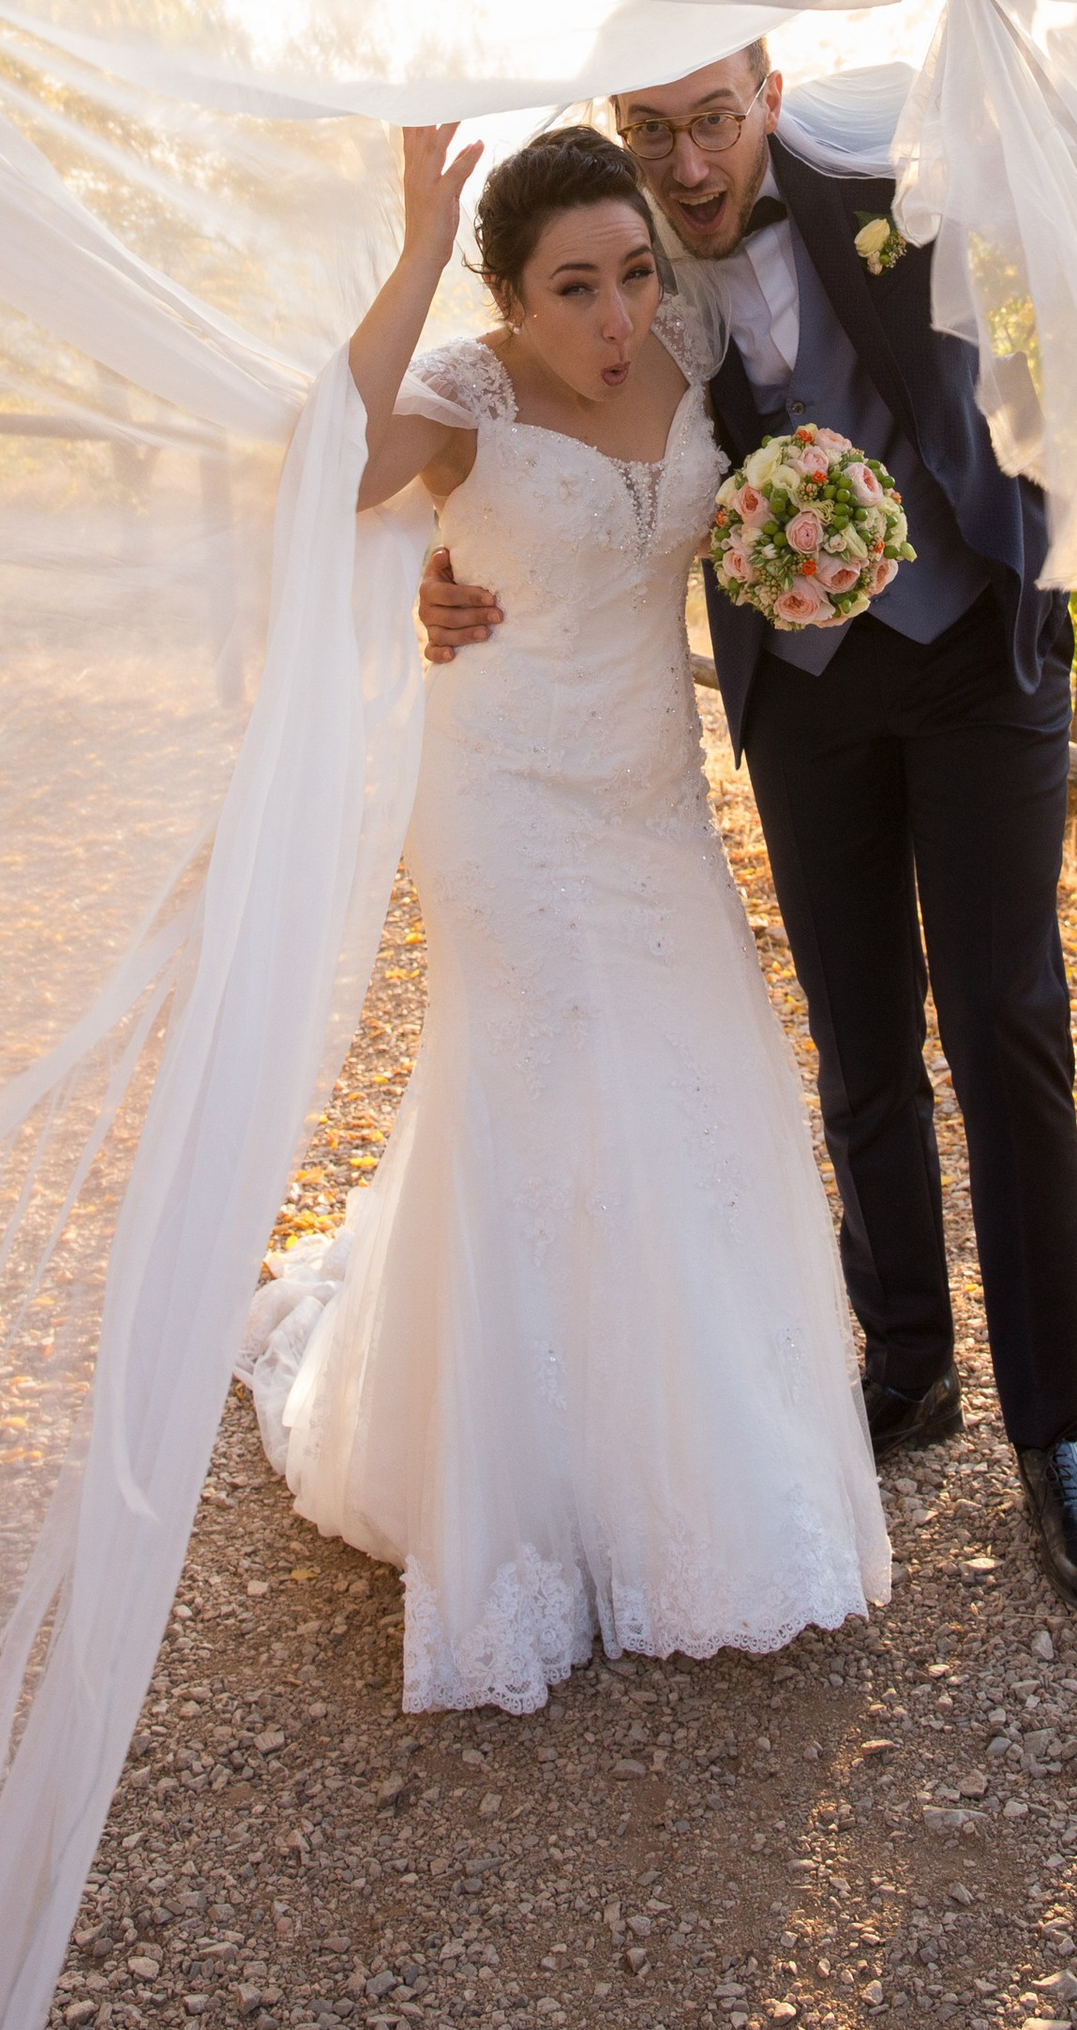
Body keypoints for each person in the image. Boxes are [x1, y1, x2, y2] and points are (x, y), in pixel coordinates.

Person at [421, 43, 1077, 1612]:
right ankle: (907, 1365)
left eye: (712, 122)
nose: (688, 166)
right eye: (652, 132)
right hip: (804, 691)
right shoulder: (628, 266)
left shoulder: (895, 170)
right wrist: (450, 559)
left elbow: (1061, 271)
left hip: (975, 651)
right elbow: (530, 415)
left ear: (769, 87)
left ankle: (1053, 1434)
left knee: (1006, 1023)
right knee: (859, 1043)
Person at [238, 121, 890, 1713]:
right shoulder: (466, 398)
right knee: (546, 1091)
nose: (615, 317)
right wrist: (417, 242)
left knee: (695, 1091)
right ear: (511, 300)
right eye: (574, 288)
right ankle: (528, 1498)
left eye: (632, 275)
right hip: (504, 792)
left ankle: (696, 1470)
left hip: (650, 796)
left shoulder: (691, 348)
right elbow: (330, 472)